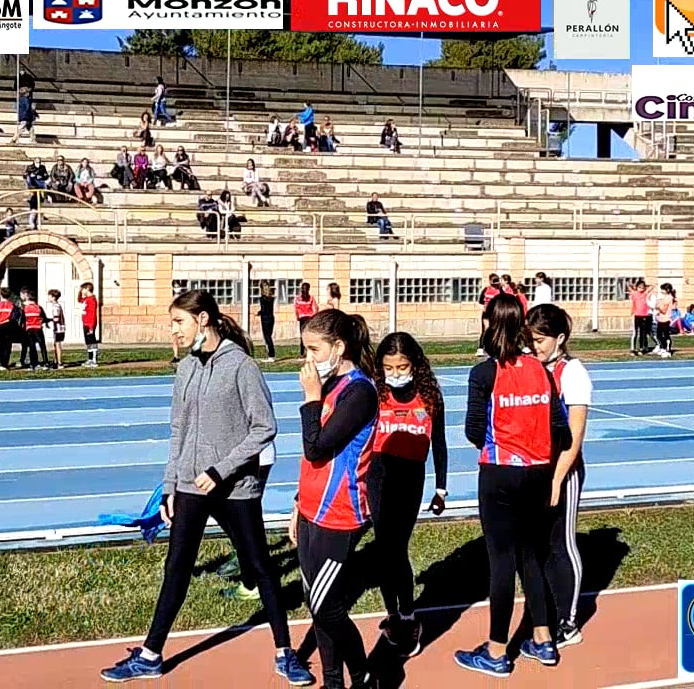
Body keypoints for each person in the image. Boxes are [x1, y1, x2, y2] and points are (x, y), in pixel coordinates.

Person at [100, 291, 314, 686]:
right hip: (190, 485)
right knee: (177, 566)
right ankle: (150, 655)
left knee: (260, 567)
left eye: (178, 322)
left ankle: (286, 653)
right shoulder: (186, 369)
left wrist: (221, 469)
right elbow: (178, 432)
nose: (173, 331)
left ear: (202, 319)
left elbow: (264, 428)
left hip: (234, 488)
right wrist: (169, 487)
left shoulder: (241, 367)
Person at [455, 293, 569, 678]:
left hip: (500, 474)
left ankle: (496, 650)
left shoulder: (484, 373)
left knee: (501, 562)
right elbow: (562, 430)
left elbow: (473, 431)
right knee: (531, 557)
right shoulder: (541, 368)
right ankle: (544, 640)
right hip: (537, 473)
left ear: (489, 324)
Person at [291, 309, 379, 689]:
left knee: (328, 607)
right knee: (318, 608)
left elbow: (317, 447)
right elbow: (310, 462)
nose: (308, 358)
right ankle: (332, 682)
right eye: (304, 348)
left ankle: (364, 676)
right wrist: (297, 504)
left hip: (339, 513)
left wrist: (311, 400)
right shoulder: (329, 387)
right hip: (311, 510)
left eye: (314, 348)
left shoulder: (360, 393)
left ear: (338, 347)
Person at [370, 332, 448, 657]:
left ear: (414, 364)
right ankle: (392, 613)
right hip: (376, 476)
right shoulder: (374, 393)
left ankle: (408, 615)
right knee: (382, 549)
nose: (395, 373)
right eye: (389, 367)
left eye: (402, 366)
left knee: (397, 548)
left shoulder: (429, 397)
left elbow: (439, 445)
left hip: (409, 478)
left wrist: (441, 488)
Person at [527, 303, 593, 647]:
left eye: (541, 339)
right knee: (534, 547)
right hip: (531, 470)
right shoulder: (528, 368)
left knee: (560, 543)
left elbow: (575, 435)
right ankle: (543, 615)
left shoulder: (573, 372)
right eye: (531, 338)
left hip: (562, 471)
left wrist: (556, 479)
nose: (534, 346)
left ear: (560, 338)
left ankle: (568, 621)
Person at [0, 290, 19, 370]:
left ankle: (2, 363)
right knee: (8, 346)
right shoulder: (12, 305)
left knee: (1, 346)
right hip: (8, 326)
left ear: (1, 295)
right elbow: (15, 317)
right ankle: (5, 363)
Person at [652, 283, 676, 358]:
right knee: (659, 335)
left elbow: (664, 310)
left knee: (666, 335)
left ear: (667, 290)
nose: (661, 291)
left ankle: (667, 350)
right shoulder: (664, 298)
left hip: (665, 319)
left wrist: (657, 307)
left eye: (662, 289)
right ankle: (663, 347)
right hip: (660, 319)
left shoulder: (668, 298)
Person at [629, 280, 653, 356]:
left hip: (645, 315)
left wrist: (648, 286)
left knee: (643, 333)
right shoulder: (634, 293)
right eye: (639, 287)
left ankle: (643, 348)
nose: (641, 289)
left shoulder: (646, 293)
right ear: (637, 287)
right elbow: (629, 287)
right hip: (636, 315)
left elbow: (652, 287)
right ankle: (633, 348)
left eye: (643, 288)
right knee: (635, 332)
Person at [294, 282, 318, 358]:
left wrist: (298, 317)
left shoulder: (298, 298)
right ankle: (310, 351)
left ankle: (302, 352)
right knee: (310, 335)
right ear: (308, 289)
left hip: (302, 318)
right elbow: (315, 308)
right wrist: (314, 317)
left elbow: (296, 309)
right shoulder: (311, 298)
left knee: (302, 335)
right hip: (310, 318)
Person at [256, 279, 276, 363]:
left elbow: (264, 309)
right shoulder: (271, 298)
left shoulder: (262, 298)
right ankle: (270, 354)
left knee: (267, 337)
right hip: (271, 317)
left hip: (265, 318)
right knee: (269, 337)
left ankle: (271, 355)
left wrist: (259, 312)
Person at [80, 282, 100, 368]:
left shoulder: (92, 300)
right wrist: (80, 291)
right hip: (85, 323)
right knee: (88, 342)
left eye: (83, 289)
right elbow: (79, 300)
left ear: (87, 289)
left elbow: (92, 314)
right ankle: (90, 358)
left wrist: (91, 327)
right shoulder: (86, 299)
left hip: (89, 323)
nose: (82, 291)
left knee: (92, 341)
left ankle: (94, 359)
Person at [46, 289, 66, 369]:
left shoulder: (56, 306)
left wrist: (48, 320)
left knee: (58, 344)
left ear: (53, 297)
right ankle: (56, 360)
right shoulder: (56, 306)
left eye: (49, 296)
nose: (48, 298)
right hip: (57, 328)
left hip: (59, 328)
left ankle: (59, 362)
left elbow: (56, 318)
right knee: (55, 344)